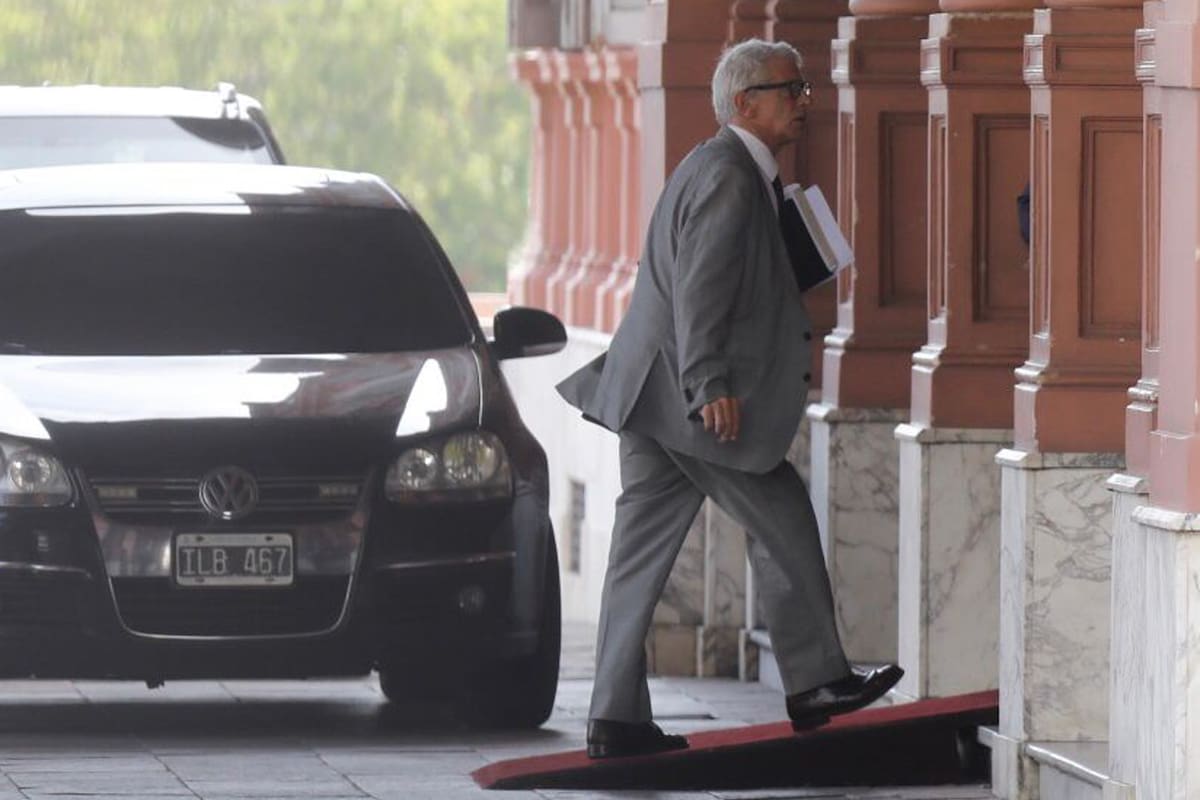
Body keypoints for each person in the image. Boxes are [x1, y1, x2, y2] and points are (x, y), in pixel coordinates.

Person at [556, 38, 903, 760]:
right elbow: (700, 287)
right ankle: (817, 682)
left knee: (638, 552)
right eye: (791, 90)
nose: (804, 102)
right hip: (688, 397)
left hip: (649, 392)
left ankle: (614, 718)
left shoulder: (722, 168)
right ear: (746, 102)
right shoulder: (730, 178)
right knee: (780, 510)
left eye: (803, 89)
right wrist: (710, 383)